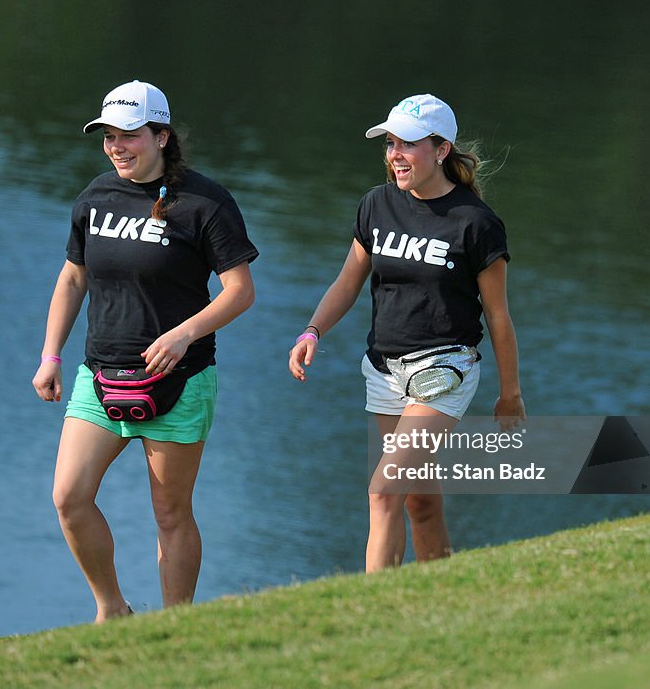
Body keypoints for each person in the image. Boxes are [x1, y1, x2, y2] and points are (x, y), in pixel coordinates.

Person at [32, 80, 258, 621]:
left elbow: (241, 291)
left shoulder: (204, 203)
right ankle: (112, 609)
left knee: (170, 513)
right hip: (100, 376)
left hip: (179, 382)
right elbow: (72, 278)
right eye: (108, 136)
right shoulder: (95, 198)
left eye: (129, 135)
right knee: (69, 496)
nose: (116, 146)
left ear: (161, 136)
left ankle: (175, 625)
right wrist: (50, 355)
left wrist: (185, 333)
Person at [288, 94, 525, 572]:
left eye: (408, 145)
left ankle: (376, 613)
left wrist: (510, 392)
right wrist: (312, 331)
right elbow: (348, 280)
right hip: (383, 368)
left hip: (445, 369)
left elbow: (498, 316)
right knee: (419, 499)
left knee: (383, 490)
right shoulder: (376, 205)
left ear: (441, 150)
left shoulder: (476, 224)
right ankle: (436, 594)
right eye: (391, 144)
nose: (395, 155)